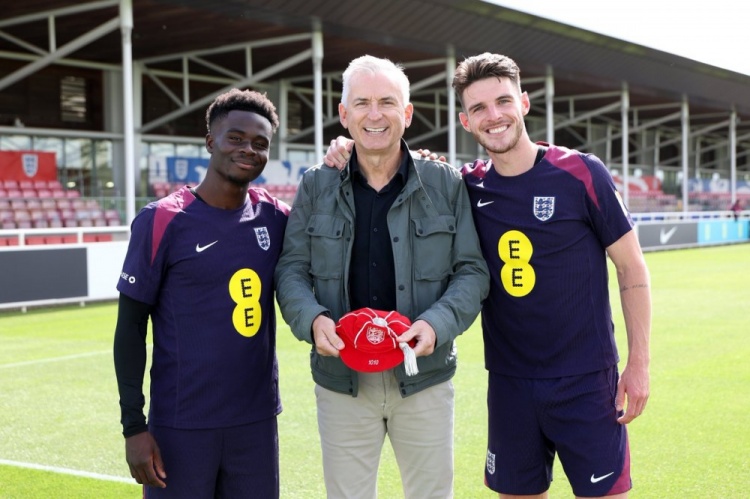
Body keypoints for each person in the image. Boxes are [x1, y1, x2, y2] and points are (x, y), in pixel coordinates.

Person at [324, 52, 652, 499]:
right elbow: (406, 168)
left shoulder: (580, 173)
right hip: (510, 384)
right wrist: (346, 148)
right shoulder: (465, 186)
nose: (493, 116)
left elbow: (631, 268)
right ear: (465, 121)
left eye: (503, 101)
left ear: (524, 103)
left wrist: (639, 364)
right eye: (478, 108)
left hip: (586, 380)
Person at [275, 55, 489, 499]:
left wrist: (437, 324)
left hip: (424, 376)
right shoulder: (316, 185)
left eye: (387, 102)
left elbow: (472, 271)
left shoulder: (445, 183)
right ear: (344, 114)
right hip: (342, 382)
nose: (375, 115)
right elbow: (291, 268)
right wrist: (312, 319)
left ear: (407, 114)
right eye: (362, 103)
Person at [113, 88, 289, 498]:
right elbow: (130, 328)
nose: (248, 150)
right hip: (181, 425)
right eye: (236, 138)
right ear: (211, 142)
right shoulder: (162, 220)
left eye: (260, 143)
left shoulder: (277, 217)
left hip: (256, 423)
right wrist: (134, 427)